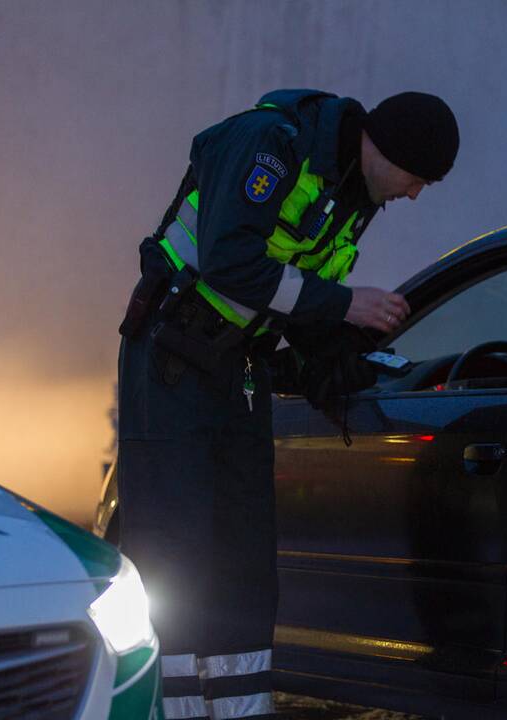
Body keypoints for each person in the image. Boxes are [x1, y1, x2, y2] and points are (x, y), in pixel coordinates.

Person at [116, 88, 458, 720]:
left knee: (243, 557)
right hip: (170, 361)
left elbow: (294, 297)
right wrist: (344, 304)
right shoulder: (271, 145)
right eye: (416, 178)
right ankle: (170, 710)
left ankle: (239, 710)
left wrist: (337, 358)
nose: (413, 194)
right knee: (177, 551)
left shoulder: (354, 195)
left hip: (236, 370)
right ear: (387, 150)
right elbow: (227, 261)